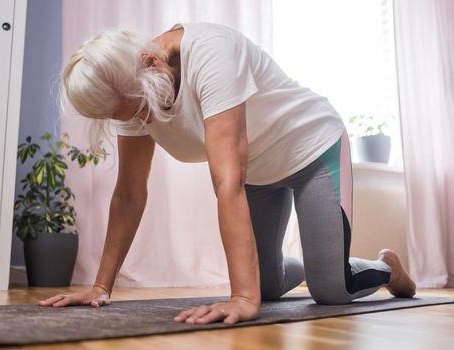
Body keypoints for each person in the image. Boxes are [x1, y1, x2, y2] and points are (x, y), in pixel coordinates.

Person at [39, 22, 416, 325]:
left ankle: (386, 268)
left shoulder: (211, 52)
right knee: (266, 285)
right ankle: (318, 263)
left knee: (332, 288)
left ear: (149, 63)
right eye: (127, 117)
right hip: (257, 171)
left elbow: (226, 182)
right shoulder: (128, 86)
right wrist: (100, 286)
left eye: (139, 110)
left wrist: (242, 299)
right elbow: (128, 194)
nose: (141, 122)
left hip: (311, 149)